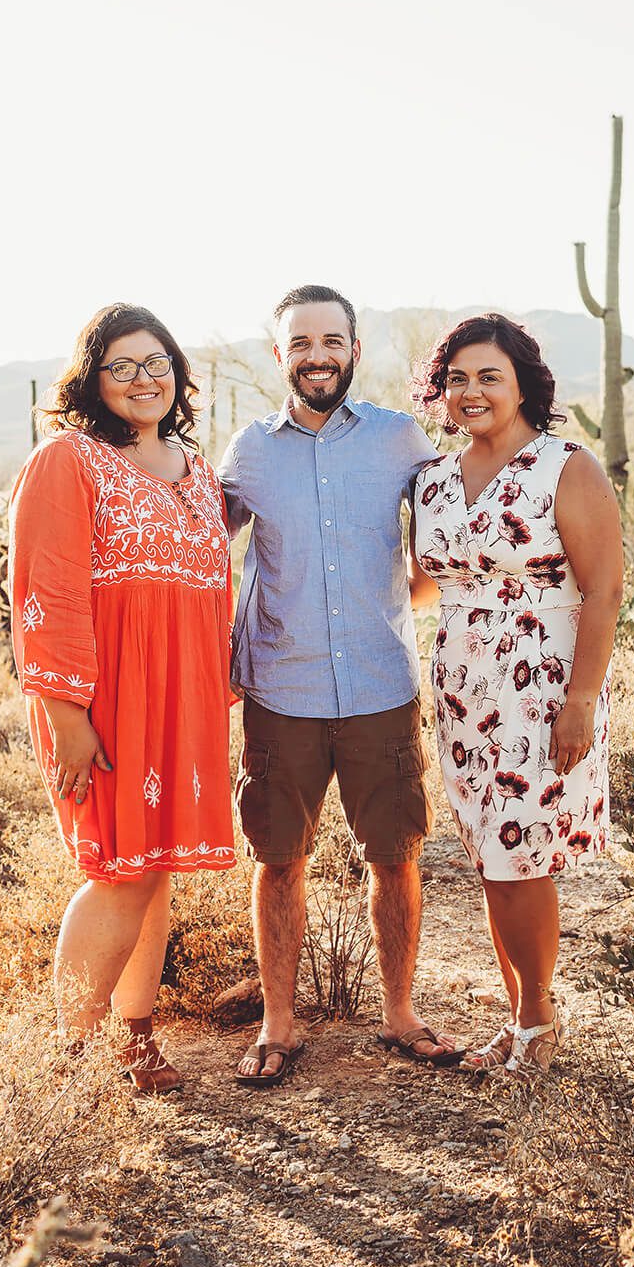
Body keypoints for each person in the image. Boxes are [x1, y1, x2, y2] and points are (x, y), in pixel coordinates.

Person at [218, 284, 462, 1086]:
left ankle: (398, 1013)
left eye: (332, 340)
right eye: (301, 342)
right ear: (279, 354)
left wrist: (391, 602)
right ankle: (279, 1023)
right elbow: (197, 550)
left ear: (355, 350)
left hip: (378, 685)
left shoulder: (401, 440)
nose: (317, 355)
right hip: (280, 691)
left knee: (395, 855)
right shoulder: (249, 450)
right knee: (278, 858)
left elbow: (447, 543)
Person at [9, 302, 235, 1094]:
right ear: (92, 380)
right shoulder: (68, 459)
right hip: (104, 700)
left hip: (184, 696)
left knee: (155, 867)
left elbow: (210, 588)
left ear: (178, 376)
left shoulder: (196, 469)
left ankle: (136, 1042)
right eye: (123, 366)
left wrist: (215, 689)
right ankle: (62, 1063)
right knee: (118, 871)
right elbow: (49, 589)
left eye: (157, 364)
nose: (144, 379)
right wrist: (67, 715)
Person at [411, 314, 623, 1077]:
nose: (471, 391)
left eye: (488, 376)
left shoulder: (566, 467)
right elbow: (425, 582)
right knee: (490, 856)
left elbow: (603, 592)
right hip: (463, 688)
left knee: (521, 855)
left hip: (541, 685)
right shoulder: (432, 479)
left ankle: (538, 1019)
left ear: (524, 383)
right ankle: (521, 1015)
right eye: (457, 378)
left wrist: (581, 700)